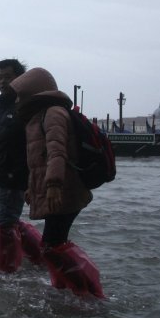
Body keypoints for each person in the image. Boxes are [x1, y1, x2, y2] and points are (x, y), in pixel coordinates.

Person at [10, 67, 104, 298]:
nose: (18, 100)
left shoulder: (52, 114)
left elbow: (57, 153)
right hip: (58, 190)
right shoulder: (38, 117)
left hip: (64, 191)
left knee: (52, 245)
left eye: (22, 94)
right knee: (55, 243)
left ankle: (87, 293)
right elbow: (38, 160)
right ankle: (66, 289)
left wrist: (53, 185)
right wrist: (33, 188)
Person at [0, 58, 43, 272]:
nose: (3, 81)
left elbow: (33, 146)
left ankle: (5, 270)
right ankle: (39, 258)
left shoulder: (24, 107)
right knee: (10, 220)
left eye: (8, 76)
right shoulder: (1, 107)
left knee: (5, 223)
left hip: (13, 177)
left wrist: (29, 180)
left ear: (20, 78)